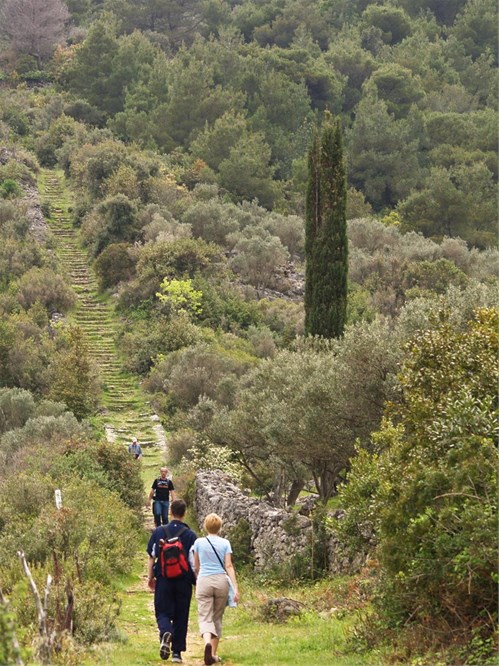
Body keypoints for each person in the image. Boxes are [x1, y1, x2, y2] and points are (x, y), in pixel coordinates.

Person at [147, 499, 197, 663]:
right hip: (183, 581)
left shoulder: (159, 531)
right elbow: (193, 563)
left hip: (164, 578)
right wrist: (196, 581)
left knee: (162, 611)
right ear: (185, 513)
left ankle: (165, 632)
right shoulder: (190, 535)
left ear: (170, 512)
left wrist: (150, 577)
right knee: (181, 615)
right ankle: (177, 653)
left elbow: (151, 556)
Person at [192, 513, 239, 666]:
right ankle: (212, 654)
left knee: (205, 616)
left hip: (204, 580)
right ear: (220, 527)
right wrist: (236, 589)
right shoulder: (225, 543)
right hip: (221, 581)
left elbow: (196, 566)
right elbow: (229, 566)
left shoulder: (198, 542)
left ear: (206, 526)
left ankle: (206, 642)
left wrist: (199, 577)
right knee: (217, 617)